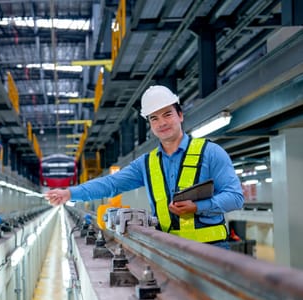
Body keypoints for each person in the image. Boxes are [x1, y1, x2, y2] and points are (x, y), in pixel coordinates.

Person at [45, 85, 244, 247]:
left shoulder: (211, 152)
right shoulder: (147, 163)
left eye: (167, 114)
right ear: (150, 124)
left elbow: (235, 197)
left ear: (180, 115)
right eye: (154, 118)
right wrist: (70, 193)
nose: (162, 123)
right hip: (167, 251)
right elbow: (111, 184)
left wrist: (198, 207)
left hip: (211, 251)